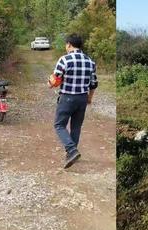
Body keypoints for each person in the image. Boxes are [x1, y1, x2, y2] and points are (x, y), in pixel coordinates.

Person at [49, 33, 98, 169]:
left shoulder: (64, 60)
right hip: (82, 98)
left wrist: (50, 83)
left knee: (59, 125)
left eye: (66, 44)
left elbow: (55, 79)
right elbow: (93, 84)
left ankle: (71, 150)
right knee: (76, 127)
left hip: (67, 97)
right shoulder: (90, 61)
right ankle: (70, 155)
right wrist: (89, 98)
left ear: (69, 44)